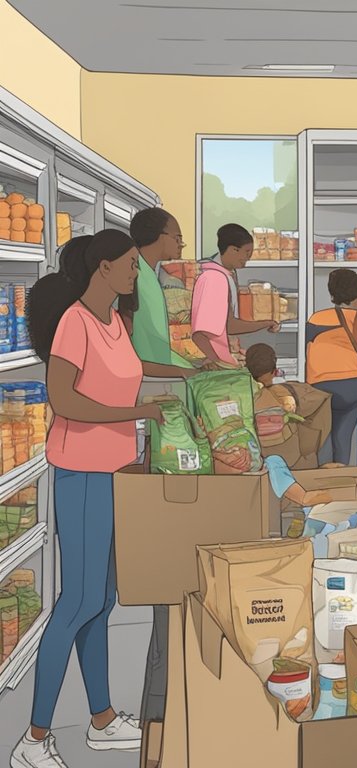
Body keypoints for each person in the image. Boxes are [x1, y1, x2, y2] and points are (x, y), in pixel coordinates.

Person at [13, 231, 197, 768]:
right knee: (77, 601)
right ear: (104, 267)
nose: (138, 273)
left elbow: (135, 369)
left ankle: (100, 720)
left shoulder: (114, 321)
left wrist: (191, 373)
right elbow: (63, 398)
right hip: (83, 473)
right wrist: (140, 415)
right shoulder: (75, 322)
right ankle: (33, 738)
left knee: (104, 599)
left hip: (116, 470)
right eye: (132, 264)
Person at [124, 207, 192, 743]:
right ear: (154, 237)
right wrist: (189, 371)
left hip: (159, 382)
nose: (180, 241)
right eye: (174, 234)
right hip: (148, 391)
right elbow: (140, 352)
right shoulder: (137, 277)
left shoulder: (152, 275)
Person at [306, 269, 357, 465]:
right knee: (343, 438)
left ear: (332, 294)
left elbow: (307, 351)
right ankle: (341, 482)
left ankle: (321, 483)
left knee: (321, 439)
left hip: (320, 387)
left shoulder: (315, 319)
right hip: (351, 386)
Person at [192, 224, 276, 366]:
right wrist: (218, 362)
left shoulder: (227, 273)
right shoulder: (214, 278)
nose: (248, 257)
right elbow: (208, 331)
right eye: (247, 252)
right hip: (212, 360)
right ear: (232, 249)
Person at [124, 207, 190, 367]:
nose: (181, 245)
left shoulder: (149, 274)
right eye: (177, 238)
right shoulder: (132, 276)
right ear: (159, 237)